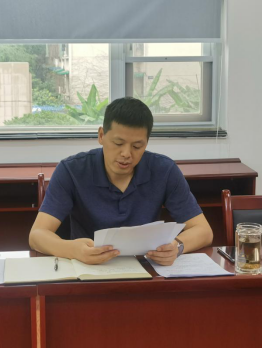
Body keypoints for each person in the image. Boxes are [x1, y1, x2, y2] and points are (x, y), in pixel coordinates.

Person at [29, 97, 213, 266]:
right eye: (118, 144)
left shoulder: (164, 170)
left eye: (137, 146)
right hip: (88, 269)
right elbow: (37, 235)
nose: (126, 154)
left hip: (145, 268)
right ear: (101, 135)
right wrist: (73, 250)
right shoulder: (72, 170)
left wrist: (177, 246)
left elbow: (204, 231)